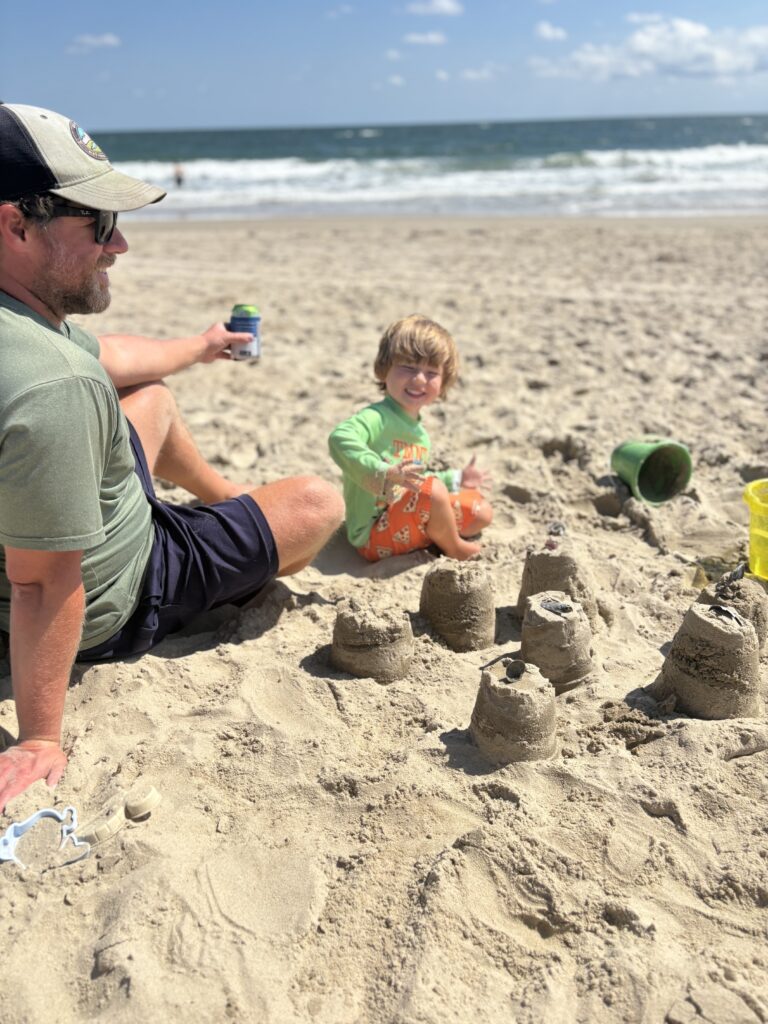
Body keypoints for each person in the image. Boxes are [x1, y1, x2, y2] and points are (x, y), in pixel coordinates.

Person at [0, 103, 343, 810]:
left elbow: (115, 355)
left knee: (150, 397)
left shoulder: (30, 332)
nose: (118, 244)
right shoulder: (53, 386)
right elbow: (43, 586)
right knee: (317, 503)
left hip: (53, 512)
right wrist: (39, 739)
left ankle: (217, 498)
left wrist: (201, 345)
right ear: (15, 225)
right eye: (97, 222)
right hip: (116, 588)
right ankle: (206, 532)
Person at [328, 314, 492, 563]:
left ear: (443, 380)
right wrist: (383, 471)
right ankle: (454, 547)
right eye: (408, 367)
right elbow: (339, 438)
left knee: (480, 512)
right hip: (372, 534)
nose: (419, 380)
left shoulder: (420, 433)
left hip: (404, 516)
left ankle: (437, 535)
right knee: (435, 492)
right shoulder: (376, 418)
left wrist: (457, 478)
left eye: (431, 372)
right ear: (385, 369)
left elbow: (417, 481)